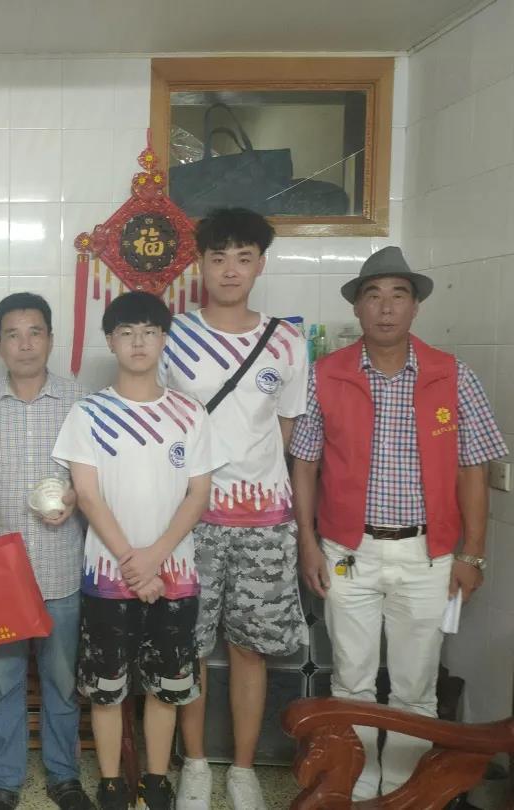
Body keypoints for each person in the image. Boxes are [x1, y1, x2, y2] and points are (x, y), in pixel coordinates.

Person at [289, 246, 507, 799]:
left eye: (398, 296)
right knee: (351, 681)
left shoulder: (452, 375)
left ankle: (405, 792)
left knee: (416, 686)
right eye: (374, 296)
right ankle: (358, 788)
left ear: (415, 307)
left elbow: (474, 468)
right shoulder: (325, 375)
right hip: (347, 553)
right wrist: (308, 543)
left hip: (428, 557)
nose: (386, 308)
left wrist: (472, 553)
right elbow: (305, 463)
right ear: (357, 308)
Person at [160, 208, 307, 810]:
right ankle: (195, 764)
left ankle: (243, 770)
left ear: (260, 265)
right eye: (218, 257)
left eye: (243, 258)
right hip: (190, 523)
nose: (229, 270)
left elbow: (287, 432)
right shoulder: (172, 336)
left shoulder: (287, 341)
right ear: (200, 264)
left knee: (250, 649)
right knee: (190, 648)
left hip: (265, 524)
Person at [52, 291, 214, 810]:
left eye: (149, 331)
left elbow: (199, 494)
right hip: (107, 577)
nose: (138, 342)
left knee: (168, 684)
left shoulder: (189, 412)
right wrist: (132, 561)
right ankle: (111, 782)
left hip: (174, 577)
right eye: (126, 332)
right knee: (106, 686)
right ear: (110, 341)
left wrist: (154, 558)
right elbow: (87, 495)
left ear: (164, 339)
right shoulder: (88, 413)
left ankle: (156, 779)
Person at [0, 292, 93, 810]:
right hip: (1, 573)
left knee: (61, 681)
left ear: (51, 339)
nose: (25, 344)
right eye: (13, 334)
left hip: (61, 568)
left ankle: (64, 777)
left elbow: (97, 472)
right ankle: (4, 781)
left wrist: (75, 496)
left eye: (35, 332)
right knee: (2, 680)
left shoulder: (80, 401)